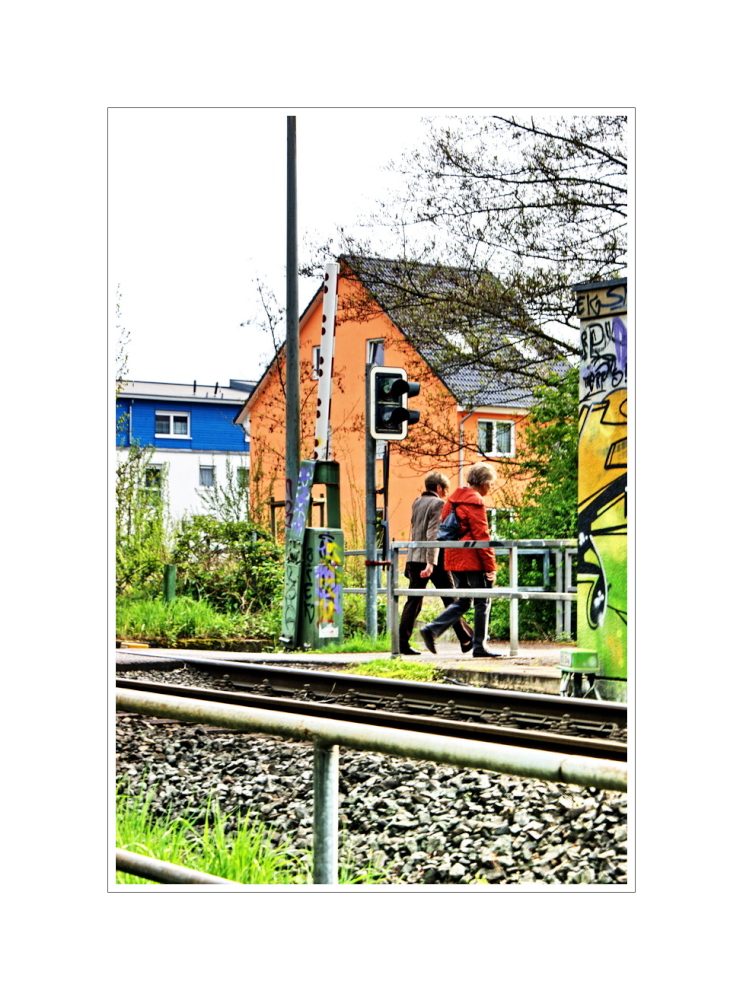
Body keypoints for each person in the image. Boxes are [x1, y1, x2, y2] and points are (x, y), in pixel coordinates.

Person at [420, 462, 502, 658]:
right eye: (490, 484)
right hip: (472, 559)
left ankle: (432, 628)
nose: (490, 488)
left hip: (454, 557)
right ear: (483, 483)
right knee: (483, 601)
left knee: (465, 600)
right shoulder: (475, 501)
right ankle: (480, 647)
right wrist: (491, 567)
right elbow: (482, 537)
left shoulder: (452, 500)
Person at [398, 472, 474, 656]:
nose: (446, 494)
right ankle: (466, 639)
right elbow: (433, 534)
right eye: (445, 490)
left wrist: (413, 562)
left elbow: (416, 530)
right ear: (439, 488)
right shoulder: (439, 503)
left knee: (414, 601)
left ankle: (402, 643)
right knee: (450, 598)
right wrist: (431, 563)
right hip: (433, 559)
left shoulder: (417, 502)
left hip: (415, 557)